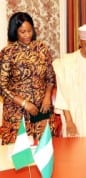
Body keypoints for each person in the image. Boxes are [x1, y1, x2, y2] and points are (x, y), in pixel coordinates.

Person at [0, 12, 57, 144]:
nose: (27, 35)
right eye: (22, 32)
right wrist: (25, 103)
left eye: (29, 31)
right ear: (15, 32)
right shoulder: (8, 52)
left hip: (41, 109)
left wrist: (47, 96)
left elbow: (50, 77)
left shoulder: (42, 48)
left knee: (43, 151)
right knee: (21, 157)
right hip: (17, 112)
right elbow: (2, 86)